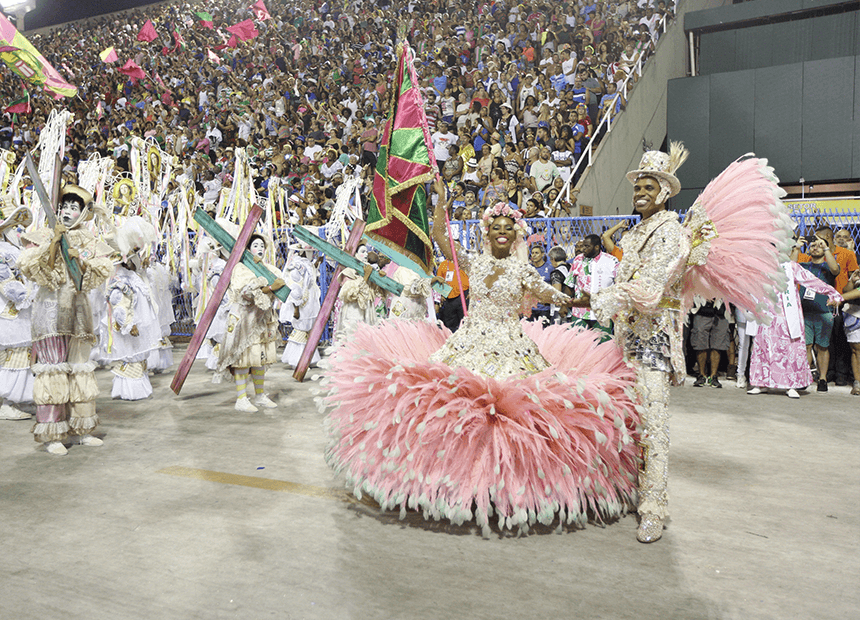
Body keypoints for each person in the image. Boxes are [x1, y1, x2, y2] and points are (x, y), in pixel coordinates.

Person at [318, 178, 642, 535]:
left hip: (511, 344)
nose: (502, 233)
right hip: (470, 340)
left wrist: (585, 300)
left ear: (516, 234)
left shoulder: (522, 270)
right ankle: (449, 478)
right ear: (487, 232)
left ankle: (503, 485)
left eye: (508, 228)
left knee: (508, 413)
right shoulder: (475, 262)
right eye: (495, 228)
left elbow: (552, 296)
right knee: (450, 407)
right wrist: (441, 200)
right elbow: (441, 237)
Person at [572, 143, 795, 542]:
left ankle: (653, 508)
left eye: (648, 187)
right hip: (624, 338)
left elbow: (650, 291)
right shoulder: (638, 231)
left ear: (665, 192)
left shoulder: (673, 235)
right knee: (622, 418)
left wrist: (595, 299)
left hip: (653, 343)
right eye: (637, 186)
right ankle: (626, 491)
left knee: (653, 427)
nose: (639, 192)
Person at [18, 185, 114, 455]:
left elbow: (102, 267)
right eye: (65, 207)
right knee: (53, 370)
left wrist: (79, 255)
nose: (68, 212)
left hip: (79, 313)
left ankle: (81, 429)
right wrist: (53, 242)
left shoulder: (87, 240)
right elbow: (31, 267)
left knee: (80, 368)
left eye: (74, 208)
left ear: (83, 213)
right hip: (50, 313)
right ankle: (53, 433)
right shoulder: (45, 234)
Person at [215, 227, 286, 413]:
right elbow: (245, 292)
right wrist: (269, 288)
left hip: (262, 320)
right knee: (243, 358)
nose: (260, 248)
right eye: (255, 245)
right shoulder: (241, 268)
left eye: (262, 245)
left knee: (260, 357)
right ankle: (241, 398)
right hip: (245, 319)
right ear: (248, 249)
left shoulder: (269, 268)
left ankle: (260, 395)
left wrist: (273, 287)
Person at [746, 260, 841, 398]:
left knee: (789, 347)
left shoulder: (790, 266)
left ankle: (791, 384)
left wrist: (831, 291)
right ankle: (761, 383)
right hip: (766, 313)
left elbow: (810, 280)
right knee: (765, 346)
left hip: (786, 314)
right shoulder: (760, 264)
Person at [101, 217, 162, 400]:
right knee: (130, 354)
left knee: (137, 354)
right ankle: (129, 391)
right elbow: (119, 305)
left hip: (137, 325)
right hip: (130, 327)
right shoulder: (121, 279)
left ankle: (135, 388)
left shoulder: (131, 276)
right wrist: (128, 324)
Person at [0, 208, 35, 421]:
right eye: (14, 227)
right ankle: (6, 402)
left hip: (15, 312)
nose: (18, 231)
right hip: (11, 312)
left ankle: (9, 401)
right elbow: (6, 282)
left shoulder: (10, 248)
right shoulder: (3, 251)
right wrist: (29, 295)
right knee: (14, 355)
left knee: (14, 355)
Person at [797, 235, 840, 392]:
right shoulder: (803, 266)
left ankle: (822, 379)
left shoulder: (829, 266)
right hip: (805, 312)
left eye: (819, 245)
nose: (815, 247)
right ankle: (804, 377)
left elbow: (835, 270)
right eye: (813, 245)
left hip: (824, 312)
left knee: (822, 347)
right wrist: (796, 247)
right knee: (806, 346)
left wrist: (826, 247)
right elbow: (789, 266)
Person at [565, 234, 618, 339]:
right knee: (577, 345)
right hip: (580, 313)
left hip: (602, 314)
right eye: (582, 246)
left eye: (586, 246)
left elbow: (620, 285)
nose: (583, 249)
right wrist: (564, 305)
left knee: (604, 347)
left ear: (597, 247)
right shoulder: (578, 260)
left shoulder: (611, 261)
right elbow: (570, 283)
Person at [280, 244, 322, 369]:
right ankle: (297, 360)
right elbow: (295, 287)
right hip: (302, 304)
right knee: (301, 329)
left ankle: (308, 358)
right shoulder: (296, 265)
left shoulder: (306, 263)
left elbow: (309, 278)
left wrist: (316, 263)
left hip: (309, 302)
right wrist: (296, 308)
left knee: (308, 330)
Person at [689, 298, 730, 388]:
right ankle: (701, 375)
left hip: (721, 312)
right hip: (702, 309)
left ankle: (713, 376)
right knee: (700, 343)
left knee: (717, 345)